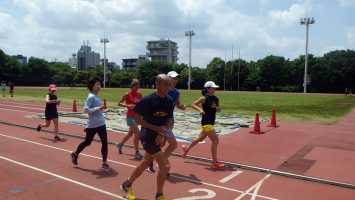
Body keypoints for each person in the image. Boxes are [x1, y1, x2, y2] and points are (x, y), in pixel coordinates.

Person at [121, 74, 174, 200]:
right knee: (165, 166)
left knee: (145, 162)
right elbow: (137, 119)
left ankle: (127, 184)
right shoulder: (148, 100)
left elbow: (169, 119)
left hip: (158, 135)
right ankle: (159, 195)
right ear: (157, 85)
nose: (168, 87)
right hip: (147, 136)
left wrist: (162, 133)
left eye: (169, 84)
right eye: (165, 84)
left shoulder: (169, 101)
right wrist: (156, 129)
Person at [147, 71, 186, 174]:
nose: (175, 80)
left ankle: (155, 162)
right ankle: (161, 163)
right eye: (173, 78)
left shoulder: (177, 92)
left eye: (177, 78)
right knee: (172, 144)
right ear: (167, 79)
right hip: (160, 121)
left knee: (161, 143)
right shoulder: (162, 91)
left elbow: (177, 104)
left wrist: (181, 107)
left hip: (169, 120)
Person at [182, 81, 225, 169]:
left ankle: (186, 148)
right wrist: (200, 110)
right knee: (215, 140)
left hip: (211, 122)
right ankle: (214, 162)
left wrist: (219, 109)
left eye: (215, 88)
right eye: (213, 88)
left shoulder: (216, 98)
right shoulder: (203, 98)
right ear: (208, 89)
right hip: (206, 122)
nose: (214, 89)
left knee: (200, 138)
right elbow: (193, 104)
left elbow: (219, 109)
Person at [70, 77, 110, 172]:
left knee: (105, 142)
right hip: (92, 125)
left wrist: (100, 109)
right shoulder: (91, 96)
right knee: (87, 142)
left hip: (101, 123)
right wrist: (98, 108)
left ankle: (104, 163)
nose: (99, 86)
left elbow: (97, 108)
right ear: (92, 86)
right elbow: (85, 110)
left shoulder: (97, 95)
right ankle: (75, 154)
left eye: (99, 84)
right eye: (97, 84)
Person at [117, 79, 143, 160]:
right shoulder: (127, 94)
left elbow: (142, 104)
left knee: (130, 134)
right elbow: (119, 103)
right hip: (130, 117)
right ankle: (137, 153)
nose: (138, 88)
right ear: (132, 86)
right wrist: (127, 106)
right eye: (136, 86)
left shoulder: (139, 94)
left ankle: (120, 144)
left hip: (137, 117)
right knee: (137, 134)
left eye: (139, 86)